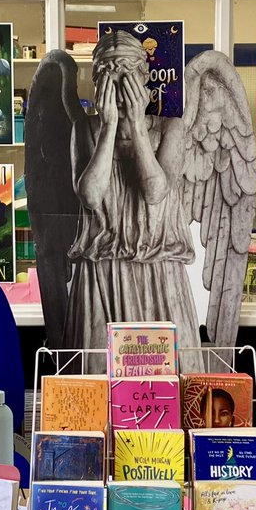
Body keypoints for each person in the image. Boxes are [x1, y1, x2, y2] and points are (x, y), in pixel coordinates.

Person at [63, 30, 200, 363]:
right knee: (97, 382)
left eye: (126, 71)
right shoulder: (85, 129)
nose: (118, 81)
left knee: (164, 381)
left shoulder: (169, 129)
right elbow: (90, 197)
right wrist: (108, 127)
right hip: (101, 269)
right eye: (107, 73)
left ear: (143, 78)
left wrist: (137, 126)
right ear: (96, 83)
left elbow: (155, 192)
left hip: (156, 270)